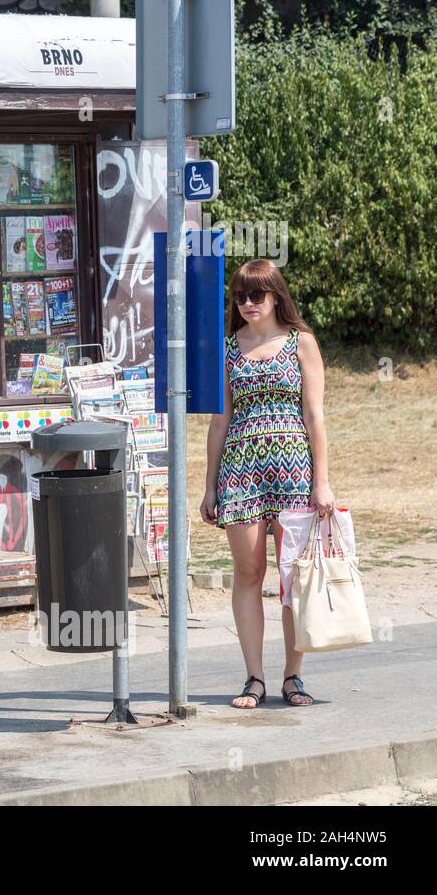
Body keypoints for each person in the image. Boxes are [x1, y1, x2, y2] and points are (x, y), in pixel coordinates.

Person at [200, 259, 332, 709]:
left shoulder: (302, 344)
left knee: (292, 578)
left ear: (276, 295)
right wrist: (209, 486)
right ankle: (253, 677)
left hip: (293, 470)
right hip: (241, 472)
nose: (248, 303)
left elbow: (315, 415)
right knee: (249, 573)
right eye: (240, 296)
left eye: (257, 295)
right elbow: (220, 422)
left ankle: (292, 677)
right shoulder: (227, 347)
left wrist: (323, 482)